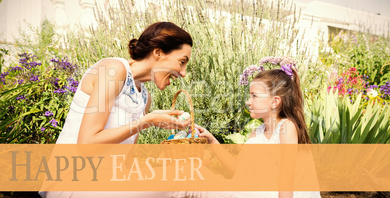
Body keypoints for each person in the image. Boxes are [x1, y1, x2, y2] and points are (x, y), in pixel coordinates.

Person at [41, 22, 193, 198]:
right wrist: (146, 122)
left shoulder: (145, 97)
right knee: (183, 186)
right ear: (158, 52)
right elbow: (86, 145)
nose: (183, 73)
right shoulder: (113, 70)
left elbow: (123, 162)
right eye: (182, 62)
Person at [196, 66, 321, 198]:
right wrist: (212, 140)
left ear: (274, 102)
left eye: (254, 96)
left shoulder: (286, 127)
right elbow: (238, 169)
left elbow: (286, 177)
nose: (248, 102)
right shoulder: (257, 133)